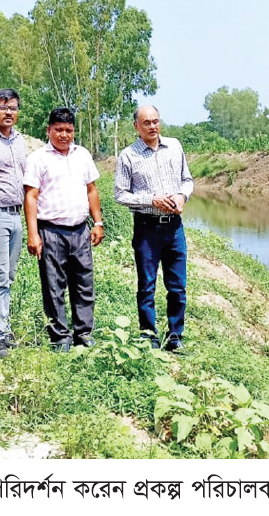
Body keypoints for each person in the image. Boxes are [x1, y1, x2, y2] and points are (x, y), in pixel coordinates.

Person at [23, 107, 104, 352]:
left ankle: (83, 333)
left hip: (80, 231)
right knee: (53, 286)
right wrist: (33, 233)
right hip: (51, 231)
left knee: (83, 283)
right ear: (48, 130)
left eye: (68, 130)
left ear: (74, 132)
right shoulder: (38, 158)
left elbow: (91, 189)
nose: (64, 135)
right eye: (58, 129)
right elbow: (31, 196)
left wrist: (98, 222)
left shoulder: (82, 155)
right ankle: (60, 337)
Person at [113, 105, 193, 352]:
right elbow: (120, 194)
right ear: (136, 126)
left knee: (177, 286)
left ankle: (175, 336)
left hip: (174, 228)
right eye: (146, 123)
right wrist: (151, 200)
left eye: (156, 121)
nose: (152, 127)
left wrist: (182, 196)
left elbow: (187, 180)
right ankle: (149, 336)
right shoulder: (128, 155)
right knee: (147, 285)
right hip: (147, 229)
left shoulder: (175, 146)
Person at [0, 89, 28, 358]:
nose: (8, 112)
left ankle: (3, 328)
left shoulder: (20, 141)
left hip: (16, 215)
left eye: (13, 107)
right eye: (3, 107)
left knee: (8, 276)